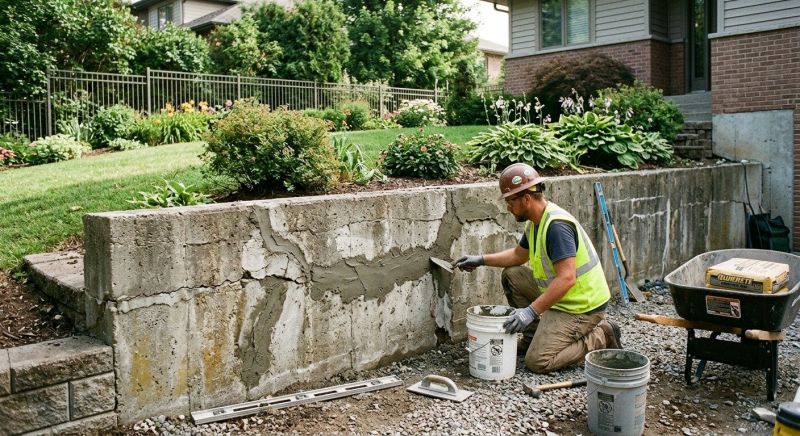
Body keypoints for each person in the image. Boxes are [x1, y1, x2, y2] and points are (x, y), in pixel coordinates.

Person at [455, 163, 622, 374]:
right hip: (562, 298)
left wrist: (530, 312)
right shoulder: (536, 222)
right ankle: (534, 336)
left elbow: (567, 278)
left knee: (538, 362)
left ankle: (601, 336)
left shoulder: (556, 227)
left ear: (526, 199)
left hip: (581, 307)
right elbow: (518, 255)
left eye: (510, 201)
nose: (507, 207)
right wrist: (480, 259)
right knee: (512, 275)